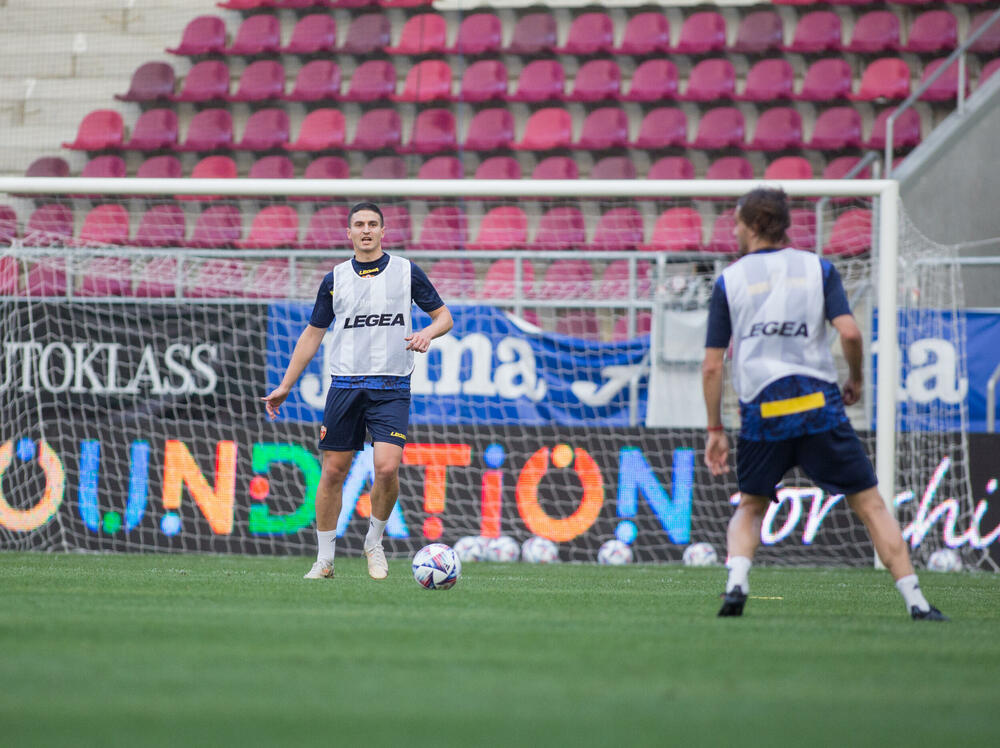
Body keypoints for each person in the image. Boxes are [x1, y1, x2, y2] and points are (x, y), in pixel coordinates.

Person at [701, 187, 946, 621]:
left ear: (754, 225)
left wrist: (715, 429)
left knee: (751, 505)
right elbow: (850, 332)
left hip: (763, 410)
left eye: (737, 222)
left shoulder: (730, 279)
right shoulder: (819, 269)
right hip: (818, 406)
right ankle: (917, 602)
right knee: (870, 505)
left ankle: (737, 583)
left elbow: (711, 366)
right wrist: (855, 378)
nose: (734, 231)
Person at [262, 202, 453, 580]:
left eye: (372, 224)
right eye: (359, 224)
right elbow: (313, 334)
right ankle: (325, 560)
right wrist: (286, 385)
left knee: (387, 467)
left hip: (391, 385)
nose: (366, 230)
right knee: (333, 471)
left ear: (383, 231)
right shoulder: (334, 279)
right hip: (346, 385)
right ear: (348, 233)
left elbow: (444, 316)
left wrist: (427, 333)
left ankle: (374, 542)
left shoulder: (406, 272)